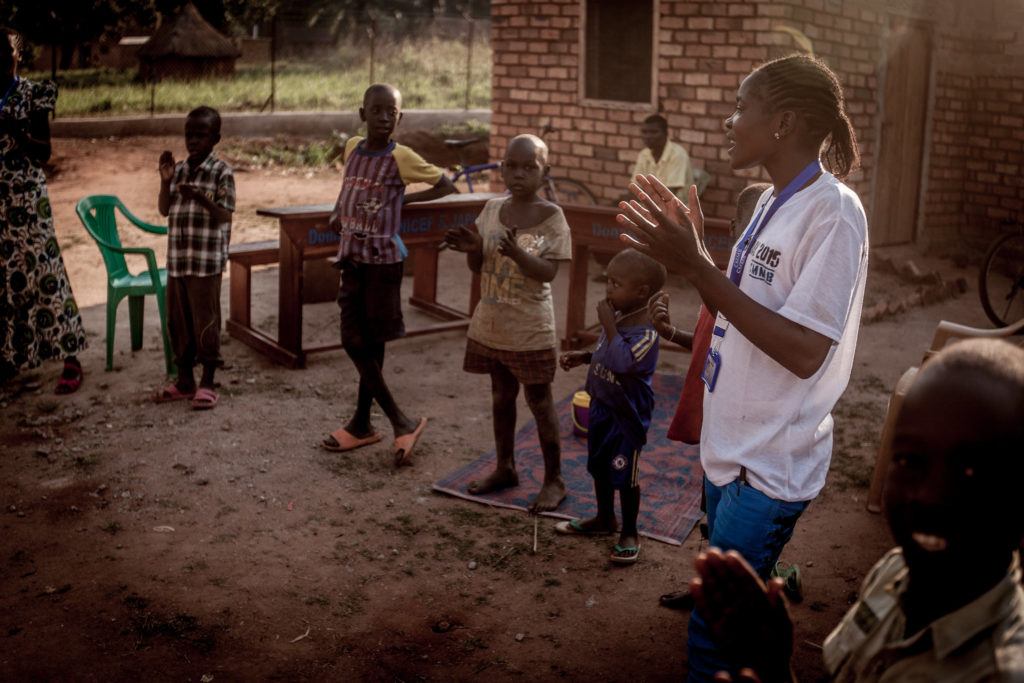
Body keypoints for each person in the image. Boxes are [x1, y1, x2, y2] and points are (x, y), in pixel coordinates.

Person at [617, 53, 869, 681]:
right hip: (730, 446)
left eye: (740, 107)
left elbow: (807, 351)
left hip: (771, 463)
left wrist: (698, 266)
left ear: (783, 122)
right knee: (727, 610)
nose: (729, 122)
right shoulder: (766, 205)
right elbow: (738, 309)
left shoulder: (834, 213)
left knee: (712, 642)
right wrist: (697, 255)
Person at [689, 339, 1024, 682]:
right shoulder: (894, 572)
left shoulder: (999, 672)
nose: (929, 495)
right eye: (910, 460)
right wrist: (776, 666)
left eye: (970, 473)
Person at [321, 83, 455, 465]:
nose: (383, 118)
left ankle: (365, 423)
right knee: (351, 337)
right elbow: (348, 186)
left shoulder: (403, 157)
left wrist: (405, 198)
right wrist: (337, 209)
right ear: (362, 113)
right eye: (376, 110)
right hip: (351, 258)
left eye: (390, 113)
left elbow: (445, 185)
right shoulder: (351, 147)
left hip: (382, 263)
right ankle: (397, 420)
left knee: (372, 340)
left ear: (400, 117)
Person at [652, 181, 771, 608]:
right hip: (713, 422)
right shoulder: (720, 283)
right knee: (712, 511)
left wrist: (692, 256)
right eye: (753, 224)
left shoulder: (758, 297)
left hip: (741, 429)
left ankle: (750, 581)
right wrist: (671, 333)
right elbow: (709, 337)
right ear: (735, 229)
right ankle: (705, 585)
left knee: (738, 516)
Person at [444, 134, 572, 512]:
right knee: (501, 396)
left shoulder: (552, 217)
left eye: (529, 167)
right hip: (492, 324)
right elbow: (479, 265)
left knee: (540, 402)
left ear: (544, 171)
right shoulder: (491, 209)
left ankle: (554, 479)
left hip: (530, 328)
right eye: (511, 166)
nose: (518, 174)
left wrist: (518, 254)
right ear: (502, 168)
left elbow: (548, 272)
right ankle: (505, 467)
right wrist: (472, 251)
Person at [556, 248, 665, 564]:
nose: (608, 290)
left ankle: (629, 531)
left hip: (625, 418)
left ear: (642, 291)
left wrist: (608, 326)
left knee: (625, 475)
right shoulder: (618, 317)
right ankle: (604, 519)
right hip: (602, 406)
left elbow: (622, 360)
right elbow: (607, 352)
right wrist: (586, 357)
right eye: (608, 282)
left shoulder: (646, 332)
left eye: (616, 284)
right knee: (599, 466)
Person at [0, 28, 87, 395]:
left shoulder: (33, 93)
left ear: (17, 56)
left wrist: (14, 132)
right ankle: (11, 358)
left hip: (26, 198)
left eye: (3, 52)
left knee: (44, 270)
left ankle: (71, 358)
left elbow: (44, 152)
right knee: (5, 279)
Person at [156, 106, 235, 410]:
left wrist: (201, 199)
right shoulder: (179, 170)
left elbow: (225, 216)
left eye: (201, 135)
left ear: (215, 138)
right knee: (179, 321)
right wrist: (165, 182)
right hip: (178, 260)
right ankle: (185, 379)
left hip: (205, 262)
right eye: (189, 135)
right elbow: (164, 210)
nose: (193, 141)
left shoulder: (221, 172)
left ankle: (208, 381)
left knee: (206, 321)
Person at [628, 114, 695, 201]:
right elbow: (635, 187)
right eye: (644, 132)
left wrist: (642, 195)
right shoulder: (644, 154)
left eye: (654, 132)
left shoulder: (678, 154)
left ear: (666, 133)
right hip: (650, 206)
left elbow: (669, 194)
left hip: (677, 210)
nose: (648, 136)